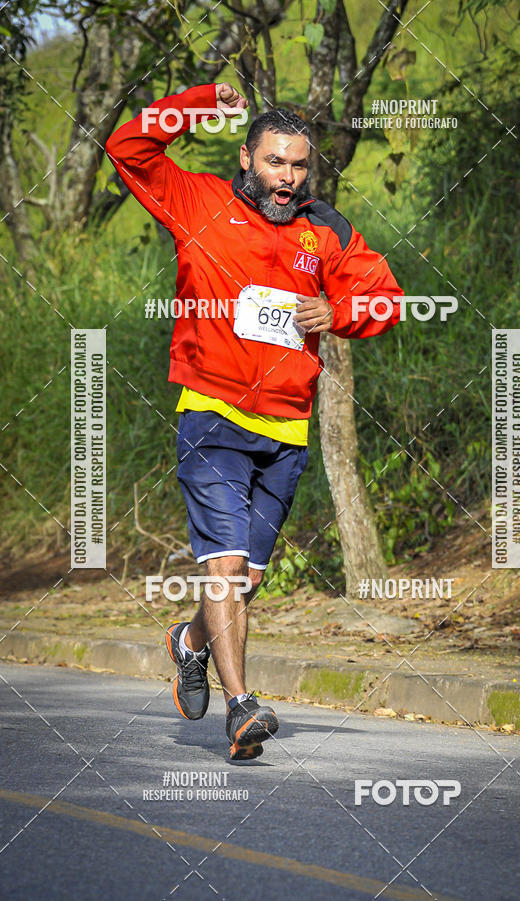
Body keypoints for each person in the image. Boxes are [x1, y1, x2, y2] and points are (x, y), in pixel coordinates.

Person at [106, 82, 403, 761]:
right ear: (246, 158)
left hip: (286, 428)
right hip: (212, 414)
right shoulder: (198, 202)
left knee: (247, 580)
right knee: (226, 564)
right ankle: (241, 706)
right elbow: (127, 148)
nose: (287, 178)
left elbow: (385, 297)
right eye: (274, 162)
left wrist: (340, 312)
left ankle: (190, 641)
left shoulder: (324, 228)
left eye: (298, 165)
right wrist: (199, 102)